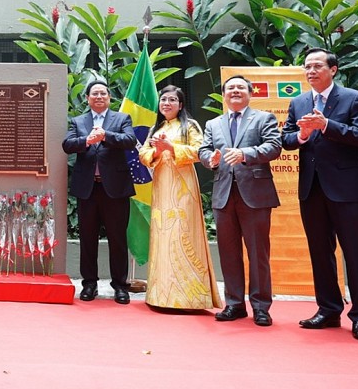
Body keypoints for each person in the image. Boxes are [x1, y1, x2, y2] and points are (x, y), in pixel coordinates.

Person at [282, 47, 358, 340]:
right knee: (320, 253)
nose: (311, 71)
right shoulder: (298, 102)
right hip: (312, 189)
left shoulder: (352, 97)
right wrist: (302, 135)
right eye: (307, 66)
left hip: (346, 190)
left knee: (355, 253)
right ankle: (329, 310)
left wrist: (327, 125)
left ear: (333, 69)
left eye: (317, 66)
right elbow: (286, 139)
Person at [198, 75, 282, 326]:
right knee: (228, 253)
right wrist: (208, 159)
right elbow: (204, 149)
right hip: (224, 195)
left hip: (255, 195)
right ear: (224, 95)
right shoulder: (214, 123)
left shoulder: (263, 118)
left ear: (249, 92)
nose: (234, 91)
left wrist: (245, 153)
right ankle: (234, 304)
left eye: (240, 88)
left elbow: (274, 146)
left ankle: (260, 306)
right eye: (230, 88)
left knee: (258, 253)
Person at [138, 85, 221, 311]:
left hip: (183, 186)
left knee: (183, 232)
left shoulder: (190, 125)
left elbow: (199, 151)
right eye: (163, 99)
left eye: (172, 100)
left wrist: (170, 147)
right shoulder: (157, 127)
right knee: (162, 234)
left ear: (181, 105)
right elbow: (144, 155)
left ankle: (189, 296)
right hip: (162, 186)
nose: (166, 103)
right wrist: (156, 151)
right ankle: (160, 294)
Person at [62, 80, 137, 305]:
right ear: (87, 98)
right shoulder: (78, 121)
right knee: (87, 238)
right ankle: (89, 284)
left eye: (103, 93)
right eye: (94, 94)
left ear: (109, 97)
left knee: (117, 239)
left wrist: (105, 135)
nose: (99, 97)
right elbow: (67, 145)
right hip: (88, 189)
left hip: (115, 188)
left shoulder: (121, 119)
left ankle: (120, 286)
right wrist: (87, 140)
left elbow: (130, 140)